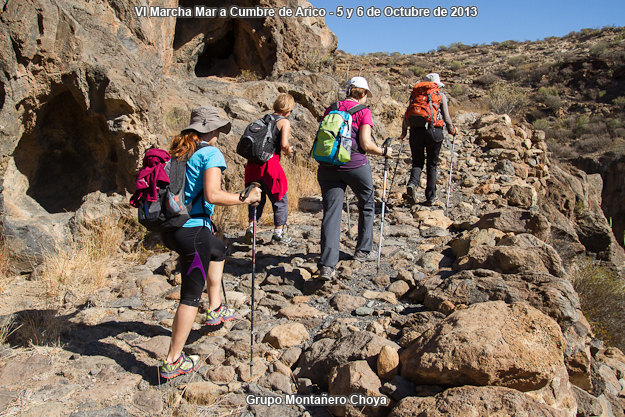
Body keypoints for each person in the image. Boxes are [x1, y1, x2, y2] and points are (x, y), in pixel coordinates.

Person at [159, 106, 261, 380]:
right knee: (190, 296)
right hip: (193, 231)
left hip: (174, 229)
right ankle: (172, 360)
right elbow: (214, 195)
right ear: (210, 129)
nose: (219, 134)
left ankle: (215, 308)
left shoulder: (181, 150)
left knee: (218, 250)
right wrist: (245, 198)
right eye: (218, 129)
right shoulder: (210, 153)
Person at [317, 76, 393, 281]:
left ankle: (327, 265)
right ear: (364, 94)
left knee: (331, 212)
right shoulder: (363, 111)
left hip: (327, 165)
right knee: (367, 203)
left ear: (349, 90)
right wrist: (384, 151)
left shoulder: (331, 108)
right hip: (355, 165)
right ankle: (362, 251)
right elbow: (366, 144)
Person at [244, 93, 295, 244]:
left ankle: (252, 227)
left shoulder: (263, 119)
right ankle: (278, 233)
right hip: (270, 164)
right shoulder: (284, 121)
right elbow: (284, 145)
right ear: (288, 109)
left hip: (253, 164)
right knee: (280, 198)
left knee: (256, 197)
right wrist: (289, 151)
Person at [399, 73, 456, 206]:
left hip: (415, 132)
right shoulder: (440, 96)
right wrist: (452, 130)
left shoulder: (415, 95)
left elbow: (406, 114)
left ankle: (412, 184)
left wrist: (403, 133)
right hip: (434, 132)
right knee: (432, 164)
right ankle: (431, 196)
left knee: (417, 162)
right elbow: (446, 118)